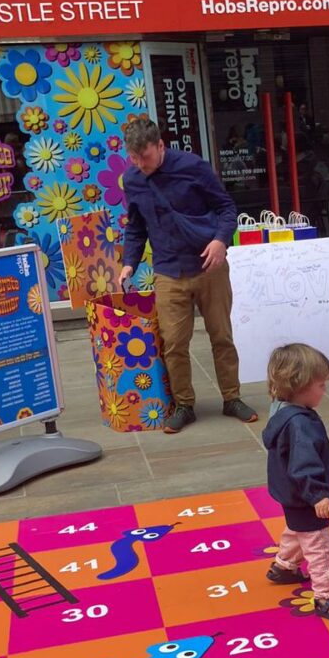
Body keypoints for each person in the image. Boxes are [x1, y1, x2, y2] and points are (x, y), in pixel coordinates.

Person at [118, 117, 256, 434]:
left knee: (221, 336)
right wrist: (130, 261)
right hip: (168, 269)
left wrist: (221, 240)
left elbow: (226, 208)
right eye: (134, 158)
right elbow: (136, 226)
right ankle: (184, 405)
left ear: (161, 146)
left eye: (147, 157)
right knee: (173, 343)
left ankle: (232, 398)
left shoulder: (193, 167)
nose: (141, 164)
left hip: (209, 266)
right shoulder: (134, 179)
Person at [262, 344, 329, 624]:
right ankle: (326, 597)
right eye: (321, 384)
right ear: (299, 386)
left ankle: (284, 566)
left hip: (289, 492)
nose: (324, 391)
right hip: (306, 494)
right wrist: (318, 495)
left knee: (297, 528)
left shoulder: (281, 410)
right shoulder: (300, 424)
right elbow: (304, 463)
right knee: (319, 546)